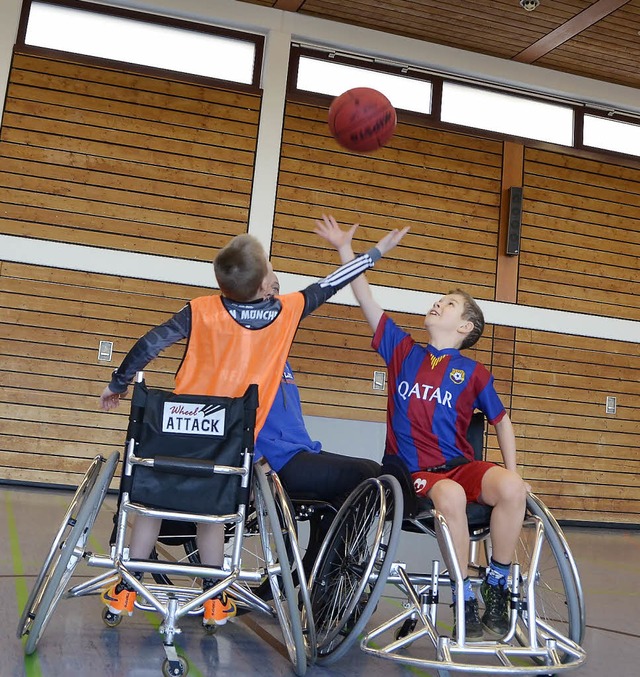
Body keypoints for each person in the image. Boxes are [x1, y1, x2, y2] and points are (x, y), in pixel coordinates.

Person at [98, 219, 408, 627]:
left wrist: (117, 384)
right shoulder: (284, 313)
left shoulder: (201, 309)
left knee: (151, 501)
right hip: (229, 437)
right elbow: (332, 283)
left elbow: (150, 343)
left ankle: (126, 585)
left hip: (177, 426)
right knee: (213, 513)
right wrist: (375, 252)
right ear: (265, 287)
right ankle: (215, 596)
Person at [314, 214, 528, 640]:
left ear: (465, 327)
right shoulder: (402, 349)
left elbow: (502, 422)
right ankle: (463, 589)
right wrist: (345, 250)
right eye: (439, 299)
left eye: (448, 303)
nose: (437, 303)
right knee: (447, 492)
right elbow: (364, 298)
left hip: (458, 465)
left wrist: (513, 469)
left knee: (512, 488)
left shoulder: (474, 372)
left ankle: (499, 582)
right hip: (410, 473)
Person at [255, 270, 381, 574]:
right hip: (273, 462)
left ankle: (322, 563)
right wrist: (255, 458)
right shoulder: (244, 349)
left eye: (277, 288)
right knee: (362, 475)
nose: (274, 294)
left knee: (376, 475)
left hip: (299, 452)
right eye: (265, 288)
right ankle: (326, 571)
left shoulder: (279, 353)